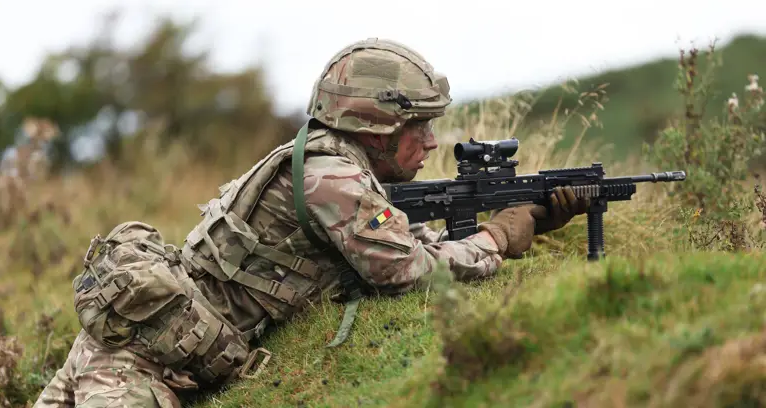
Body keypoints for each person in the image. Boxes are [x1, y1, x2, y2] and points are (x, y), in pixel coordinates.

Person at [34, 38, 587, 407]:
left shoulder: (327, 161)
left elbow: (401, 243)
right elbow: (409, 271)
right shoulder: (334, 180)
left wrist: (528, 220)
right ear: (376, 128)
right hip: (137, 368)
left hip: (124, 345)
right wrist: (498, 238)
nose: (432, 142)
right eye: (418, 126)